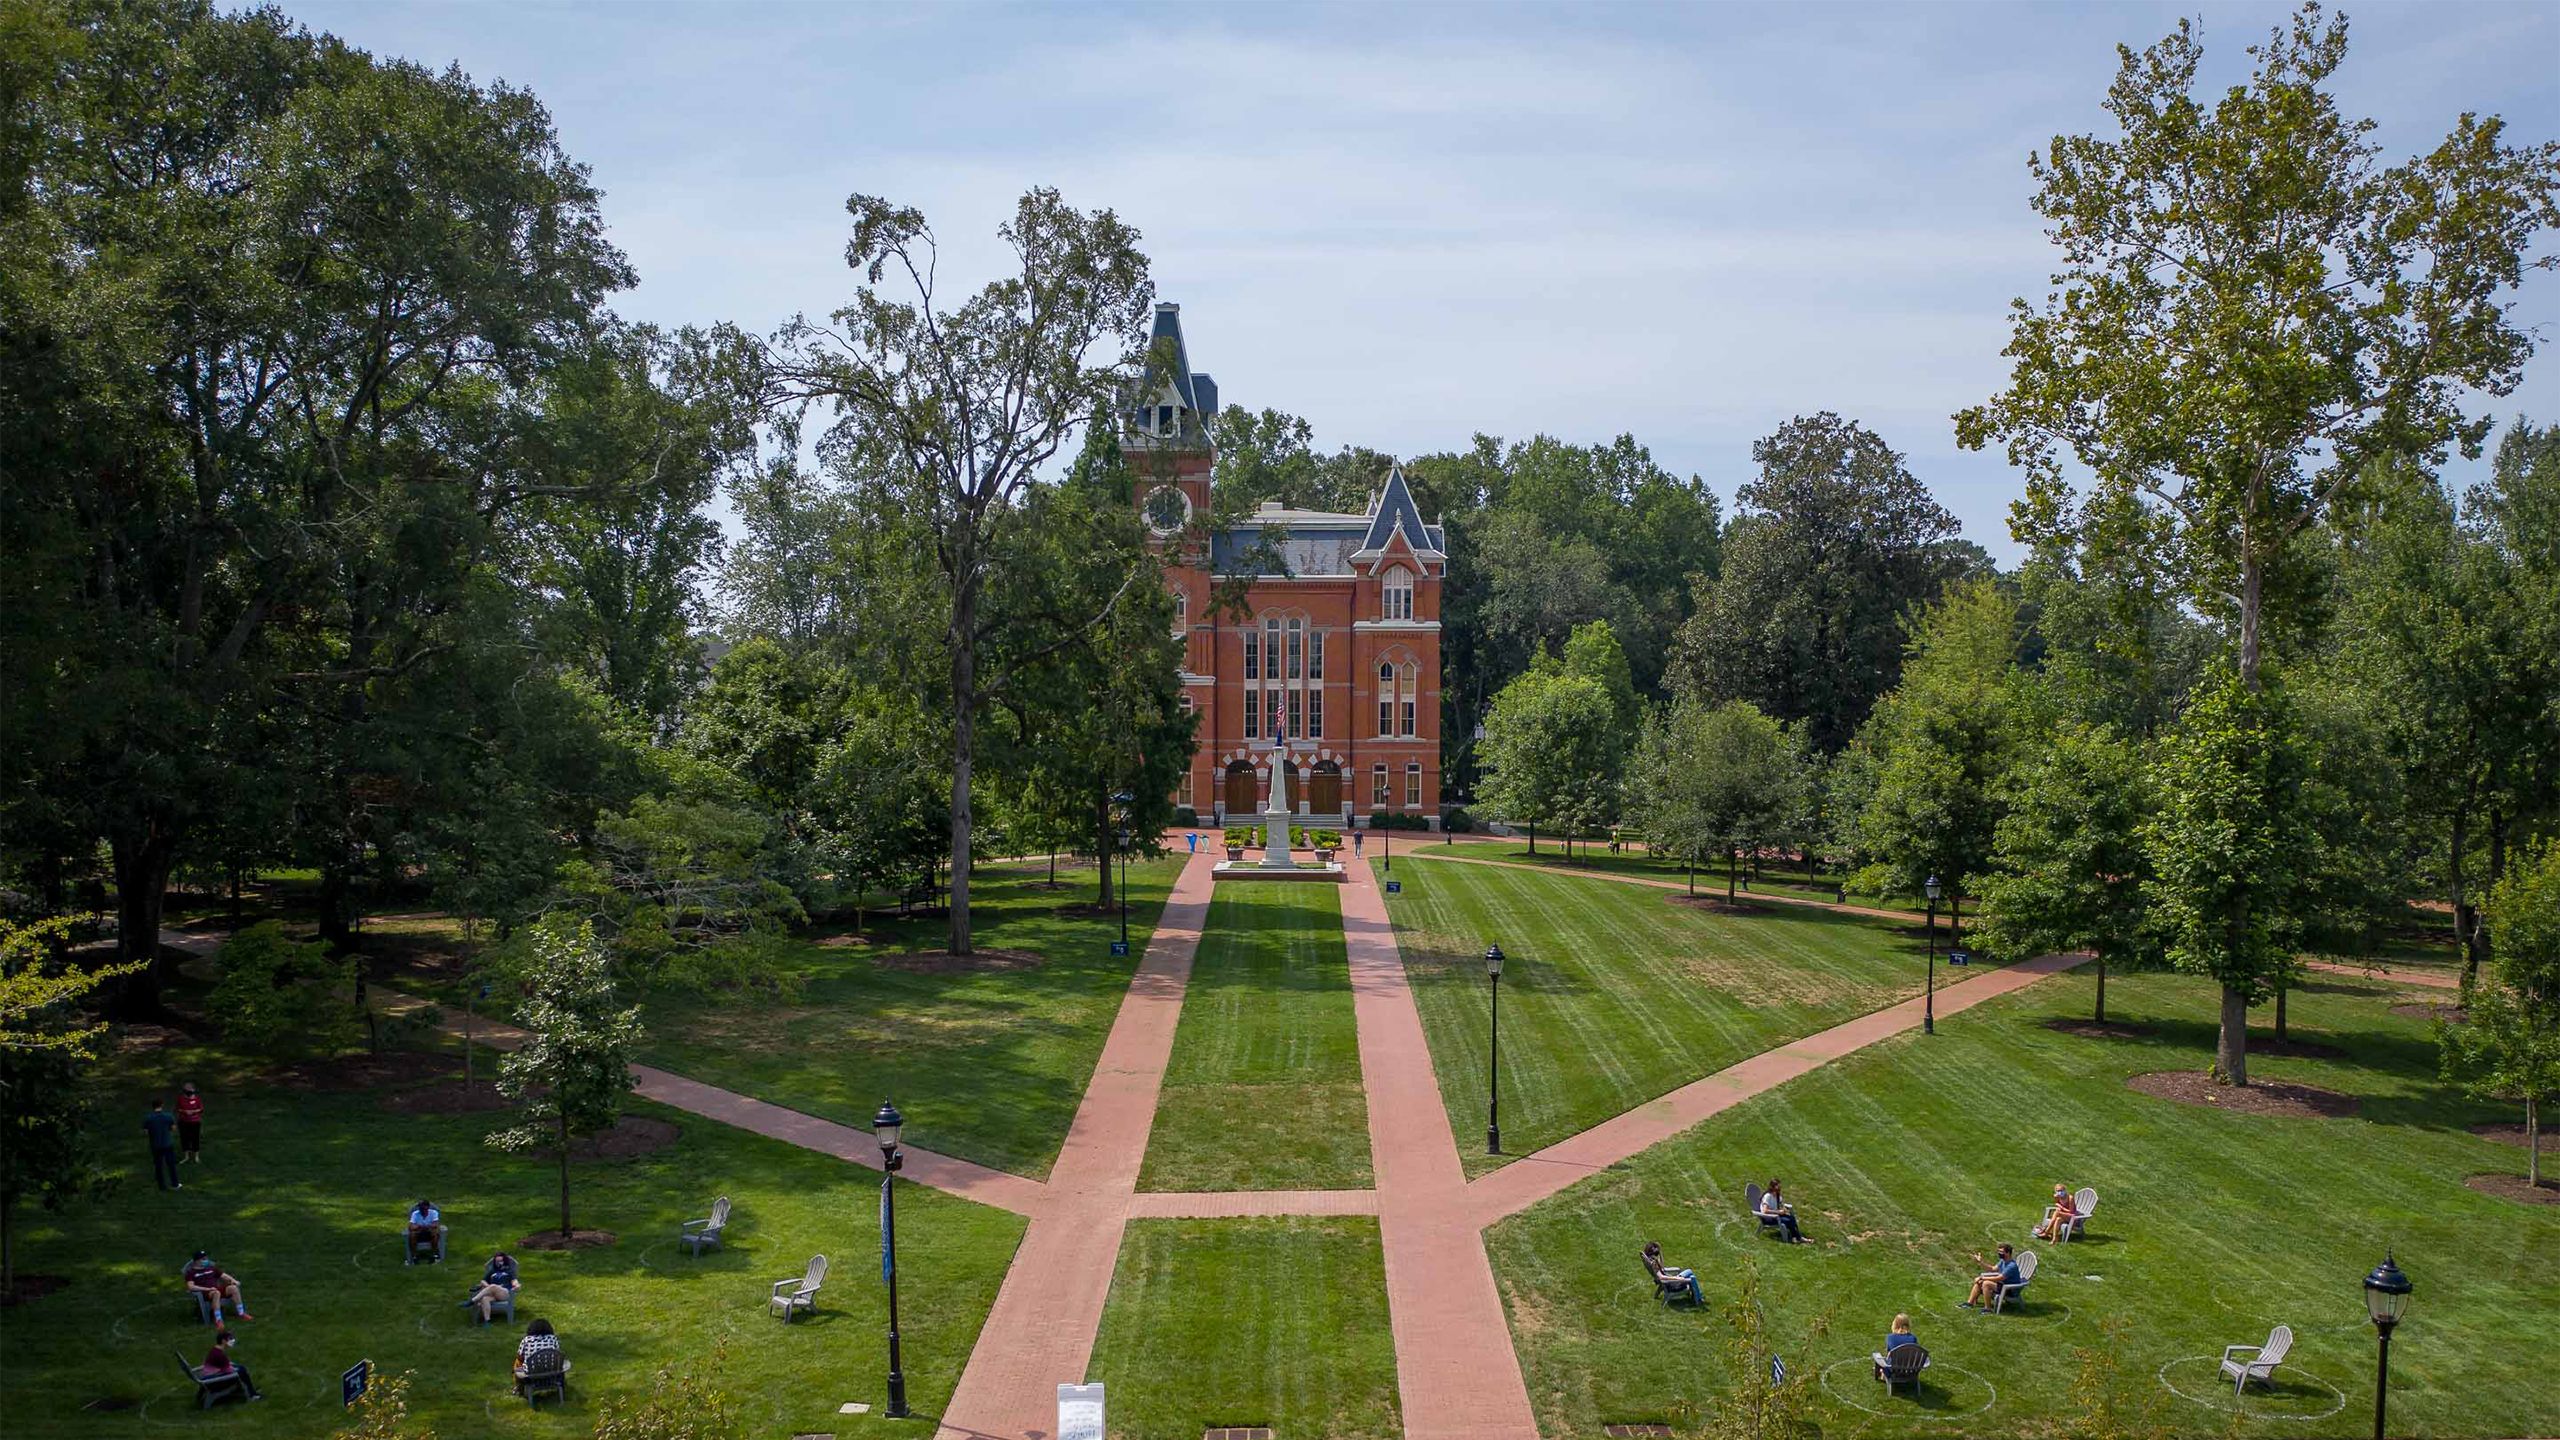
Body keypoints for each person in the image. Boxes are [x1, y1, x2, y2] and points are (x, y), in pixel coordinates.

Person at [182, 1251, 253, 1321]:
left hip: (216, 1289)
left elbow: (224, 1275)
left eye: (206, 1259)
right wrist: (208, 1289)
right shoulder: (191, 1273)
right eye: (203, 1259)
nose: (206, 1261)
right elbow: (190, 1286)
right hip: (205, 1293)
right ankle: (218, 1320)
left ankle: (241, 1313)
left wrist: (233, 1280)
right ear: (197, 1261)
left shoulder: (211, 1268)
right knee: (216, 1293)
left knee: (233, 1288)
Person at [199, 1327, 262, 1400]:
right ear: (223, 1341)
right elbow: (228, 1371)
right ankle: (252, 1394)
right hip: (213, 1381)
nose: (232, 1341)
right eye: (229, 1339)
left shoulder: (214, 1350)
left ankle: (251, 1390)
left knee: (241, 1368)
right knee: (242, 1371)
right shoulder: (220, 1355)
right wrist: (236, 1369)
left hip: (209, 1378)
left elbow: (223, 1365)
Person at [514, 1317, 569, 1393]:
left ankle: (519, 1387)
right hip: (552, 1372)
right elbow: (557, 1352)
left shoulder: (526, 1340)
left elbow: (520, 1357)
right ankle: (561, 1388)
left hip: (531, 1374)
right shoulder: (553, 1338)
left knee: (517, 1362)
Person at [1965, 1243, 2021, 1309]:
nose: (1999, 1253)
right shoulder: (2003, 1261)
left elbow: (1999, 1278)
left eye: (2001, 1252)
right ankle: (1969, 1303)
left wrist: (1983, 1278)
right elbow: (1992, 1269)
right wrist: (1980, 1262)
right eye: (1999, 1251)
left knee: (1986, 1283)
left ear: (2008, 1253)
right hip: (2003, 1285)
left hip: (2010, 1289)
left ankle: (1987, 1308)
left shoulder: (2011, 1266)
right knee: (1979, 1282)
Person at [470, 1250, 521, 1322]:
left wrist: (516, 1285)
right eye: (497, 1261)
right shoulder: (493, 1271)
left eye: (501, 1261)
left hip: (504, 1293)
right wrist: (488, 1286)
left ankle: (472, 1301)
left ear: (504, 1261)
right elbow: (483, 1281)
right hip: (493, 1294)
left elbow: (514, 1281)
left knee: (493, 1286)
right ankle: (487, 1322)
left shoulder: (509, 1270)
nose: (499, 1263)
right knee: (485, 1299)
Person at [144, 1099, 181, 1191]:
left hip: (155, 1145)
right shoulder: (168, 1116)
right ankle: (175, 1184)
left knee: (158, 1165)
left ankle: (162, 1186)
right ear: (162, 1105)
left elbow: (146, 1131)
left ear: (152, 1106)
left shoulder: (149, 1118)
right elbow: (173, 1128)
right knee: (171, 1164)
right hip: (167, 1143)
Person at [1874, 1313, 1920, 1380]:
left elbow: (1889, 1355)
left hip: (1894, 1371)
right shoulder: (1913, 1338)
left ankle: (1882, 1374)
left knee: (1879, 1357)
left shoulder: (1890, 1338)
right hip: (1911, 1371)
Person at [1758, 1178, 1806, 1243]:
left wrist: (1783, 1209)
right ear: (1773, 1187)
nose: (1779, 1187)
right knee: (1788, 1220)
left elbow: (1781, 1204)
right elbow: (1765, 1211)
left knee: (1791, 1218)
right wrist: (1778, 1212)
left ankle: (1796, 1237)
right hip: (1769, 1218)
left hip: (1775, 1216)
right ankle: (1797, 1238)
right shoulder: (1768, 1196)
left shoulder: (1777, 1196)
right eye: (1778, 1186)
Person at [176, 1082, 205, 1164]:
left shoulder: (197, 1099)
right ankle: (186, 1156)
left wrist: (193, 1111)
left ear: (193, 1089)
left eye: (189, 1089)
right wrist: (185, 1111)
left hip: (195, 1122)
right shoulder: (181, 1098)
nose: (188, 1091)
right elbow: (178, 1108)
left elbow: (201, 1109)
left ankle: (196, 1156)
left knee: (195, 1139)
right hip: (183, 1122)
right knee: (184, 1139)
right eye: (186, 1089)